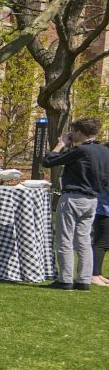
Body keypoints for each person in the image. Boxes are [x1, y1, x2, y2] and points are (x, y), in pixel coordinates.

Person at [37, 117, 109, 290]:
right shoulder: (105, 151)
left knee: (65, 238)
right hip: (92, 199)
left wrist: (60, 144)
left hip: (73, 197)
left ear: (79, 132)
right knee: (84, 240)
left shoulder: (81, 150)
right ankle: (84, 280)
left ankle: (65, 279)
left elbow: (48, 161)